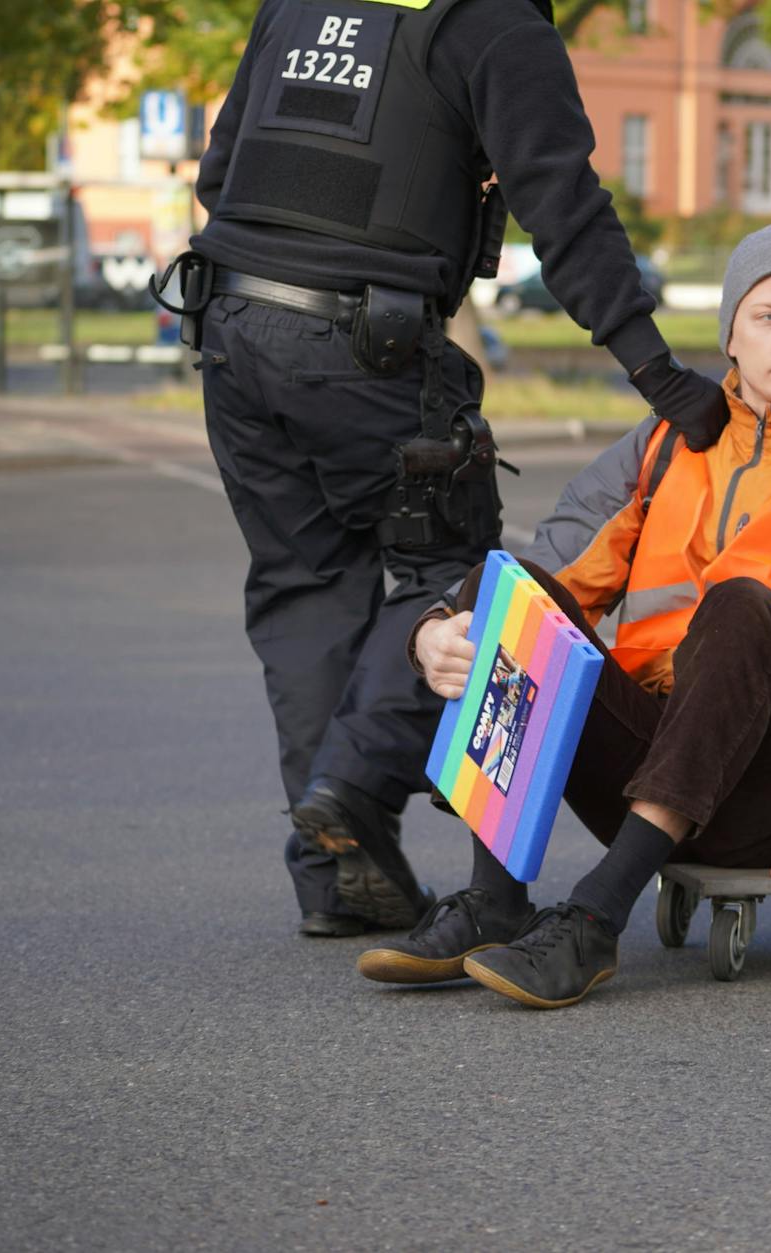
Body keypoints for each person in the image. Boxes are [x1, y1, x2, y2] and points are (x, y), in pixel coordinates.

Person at [177, 0, 732, 939]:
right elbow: (564, 206)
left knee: (304, 585)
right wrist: (660, 374)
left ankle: (334, 875)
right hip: (362, 339)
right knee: (458, 579)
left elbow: (219, 174)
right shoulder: (491, 19)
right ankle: (354, 787)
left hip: (229, 325)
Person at [358, 226, 771, 1008]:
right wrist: (435, 631)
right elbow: (541, 575)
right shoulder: (661, 448)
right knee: (506, 587)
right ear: (731, 337)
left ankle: (596, 915)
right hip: (656, 766)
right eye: (768, 316)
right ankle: (495, 898)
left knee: (742, 606)